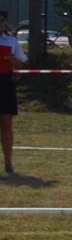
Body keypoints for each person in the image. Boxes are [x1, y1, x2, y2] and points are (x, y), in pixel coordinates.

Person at [0, 18, 22, 176]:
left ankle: (8, 163)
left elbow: (20, 63)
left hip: (5, 82)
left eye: (1, 21)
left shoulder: (11, 41)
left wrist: (12, 60)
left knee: (6, 124)